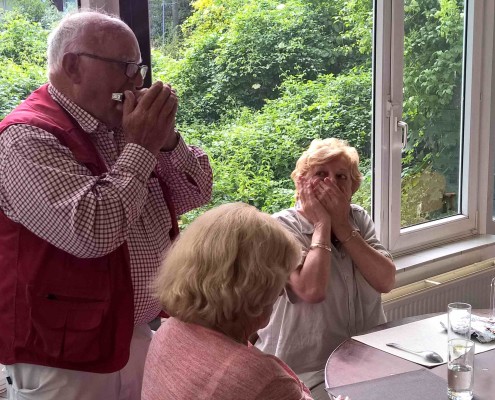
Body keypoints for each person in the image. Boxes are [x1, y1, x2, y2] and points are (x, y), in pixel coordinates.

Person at [0, 9, 212, 400]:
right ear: (72, 66)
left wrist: (165, 141)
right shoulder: (25, 138)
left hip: (130, 332)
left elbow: (194, 193)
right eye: (126, 67)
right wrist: (143, 145)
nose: (137, 81)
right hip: (62, 358)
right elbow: (93, 233)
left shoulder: (121, 127)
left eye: (140, 68)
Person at [255, 138, 396, 400]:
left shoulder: (358, 219)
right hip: (304, 373)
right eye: (321, 174)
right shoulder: (282, 227)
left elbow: (386, 280)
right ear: (301, 183)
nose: (331, 183)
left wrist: (342, 227)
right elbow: (311, 290)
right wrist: (322, 224)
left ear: (352, 187)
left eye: (341, 176)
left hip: (367, 359)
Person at [141, 202, 314, 400]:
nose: (282, 293)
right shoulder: (263, 379)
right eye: (280, 281)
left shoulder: (169, 331)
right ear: (256, 288)